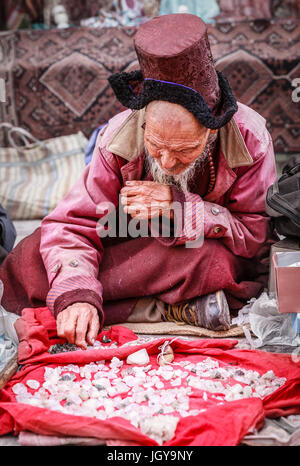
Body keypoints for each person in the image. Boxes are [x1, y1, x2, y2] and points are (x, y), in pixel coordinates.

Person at [0, 13, 277, 348]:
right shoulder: (119, 136)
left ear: (211, 130)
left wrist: (184, 210)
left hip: (196, 253)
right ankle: (160, 307)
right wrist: (77, 292)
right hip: (127, 244)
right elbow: (73, 224)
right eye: (156, 146)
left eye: (185, 150)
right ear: (144, 123)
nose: (167, 162)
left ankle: (142, 306)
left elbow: (256, 236)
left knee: (217, 265)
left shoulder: (250, 139)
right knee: (32, 259)